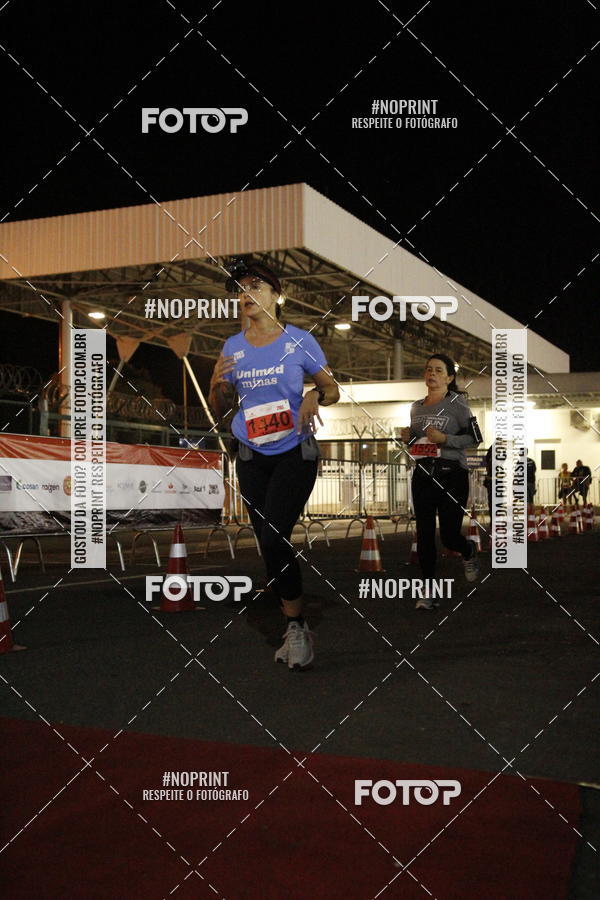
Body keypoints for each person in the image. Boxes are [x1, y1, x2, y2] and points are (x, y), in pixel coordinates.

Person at [208, 259, 339, 670]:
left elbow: (332, 389)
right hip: (250, 453)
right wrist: (215, 385)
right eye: (241, 289)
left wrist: (314, 395)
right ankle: (291, 620)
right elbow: (220, 408)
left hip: (294, 451)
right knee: (267, 541)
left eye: (255, 286)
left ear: (277, 296)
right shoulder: (232, 346)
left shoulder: (299, 340)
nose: (246, 295)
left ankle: (297, 628)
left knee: (275, 533)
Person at [400, 354, 482, 610]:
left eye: (438, 370)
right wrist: (408, 438)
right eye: (428, 369)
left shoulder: (458, 404)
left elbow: (475, 438)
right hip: (423, 474)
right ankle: (428, 592)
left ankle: (467, 550)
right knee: (424, 534)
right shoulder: (416, 407)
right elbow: (418, 443)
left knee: (448, 537)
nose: (432, 374)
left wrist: (446, 439)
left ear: (449, 377)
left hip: (452, 475)